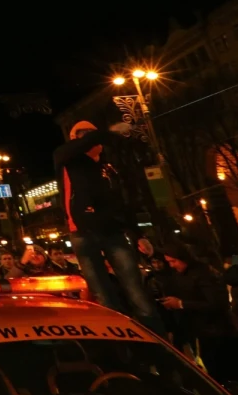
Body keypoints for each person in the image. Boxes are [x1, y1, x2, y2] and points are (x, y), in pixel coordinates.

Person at [54, 120, 163, 333]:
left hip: (113, 232)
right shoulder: (68, 159)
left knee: (136, 290)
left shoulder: (108, 168)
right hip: (82, 232)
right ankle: (118, 338)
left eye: (90, 134)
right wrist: (105, 132)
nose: (86, 139)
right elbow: (73, 148)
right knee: (103, 294)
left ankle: (154, 338)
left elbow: (122, 203)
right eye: (81, 135)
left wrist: (138, 234)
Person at [160, 242, 238, 383]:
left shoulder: (203, 273)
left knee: (223, 371)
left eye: (174, 261)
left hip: (216, 331)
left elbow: (216, 303)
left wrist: (181, 304)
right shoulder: (180, 275)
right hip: (201, 330)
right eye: (168, 262)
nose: (172, 265)